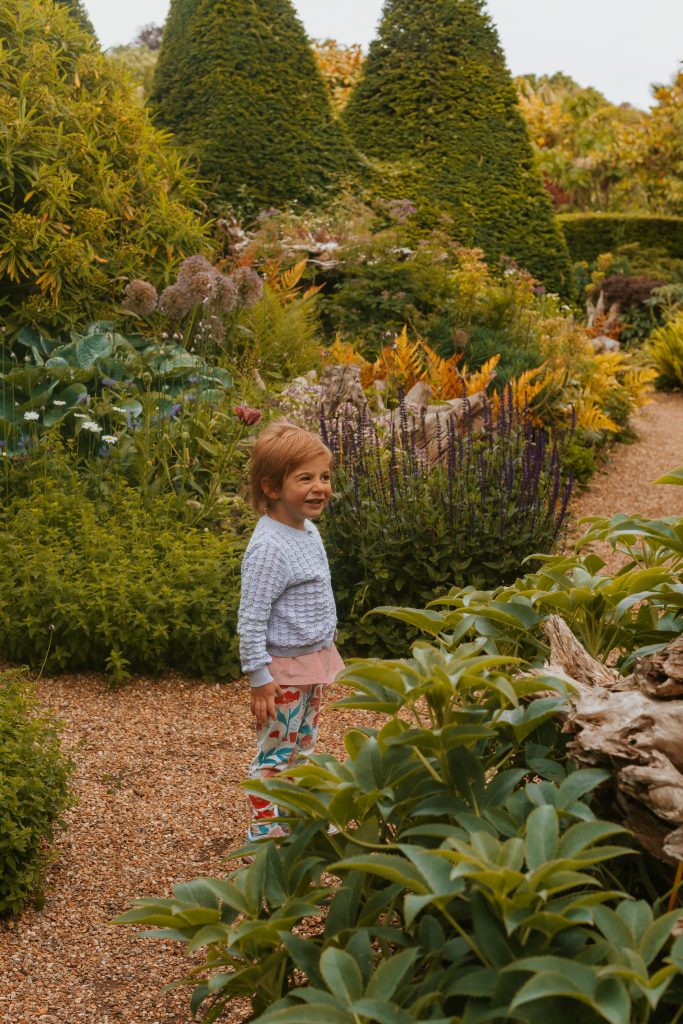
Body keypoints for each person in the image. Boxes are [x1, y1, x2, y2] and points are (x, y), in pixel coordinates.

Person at [237, 419, 344, 843]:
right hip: (282, 670)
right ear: (272, 487)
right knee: (275, 751)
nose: (320, 487)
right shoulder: (269, 548)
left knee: (304, 743)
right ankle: (265, 831)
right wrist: (259, 677)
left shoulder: (306, 530)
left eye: (325, 476)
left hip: (311, 661)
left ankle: (301, 816)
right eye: (306, 478)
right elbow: (251, 618)